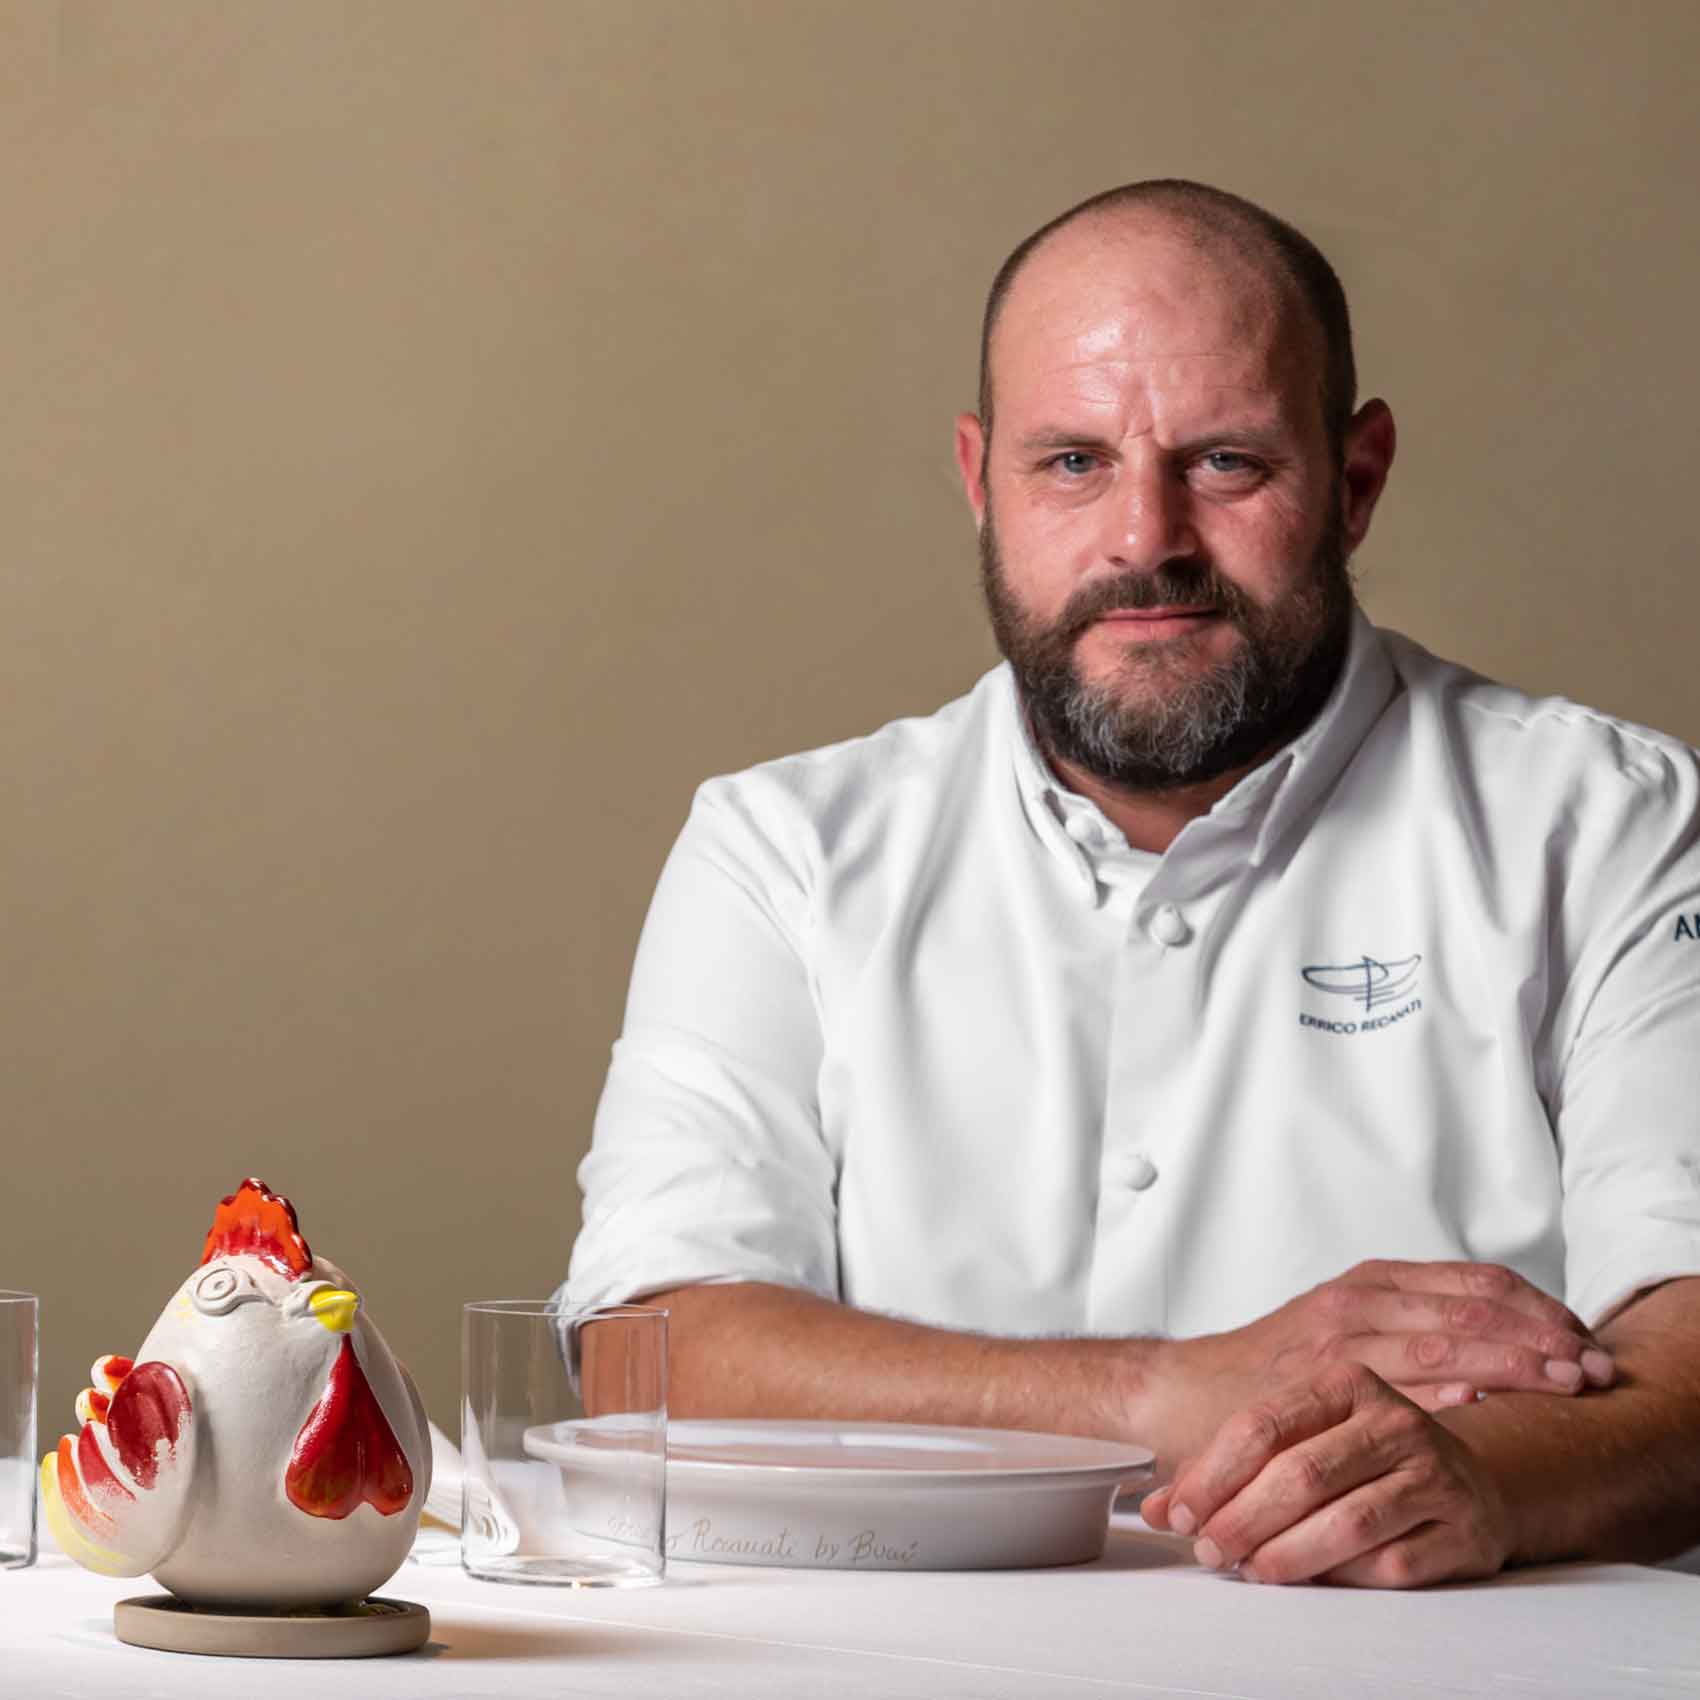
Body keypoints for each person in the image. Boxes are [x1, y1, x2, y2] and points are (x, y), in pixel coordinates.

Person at [564, 180, 1700, 1587]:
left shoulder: (1616, 825)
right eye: (1073, 463)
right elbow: (654, 1352)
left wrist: (1488, 1483)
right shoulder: (784, 850)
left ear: (1356, 481)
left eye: (1225, 462)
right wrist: (1166, 1392)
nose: (1145, 538)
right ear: (980, 481)